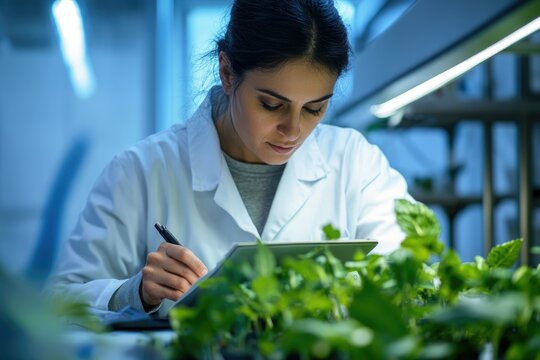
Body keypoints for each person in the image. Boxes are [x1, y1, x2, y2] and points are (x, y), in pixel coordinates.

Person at [48, 0, 411, 317]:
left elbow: (409, 276)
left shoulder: (356, 163)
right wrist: (135, 292)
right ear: (227, 72)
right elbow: (60, 302)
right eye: (271, 105)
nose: (294, 130)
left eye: (314, 109)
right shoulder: (141, 171)